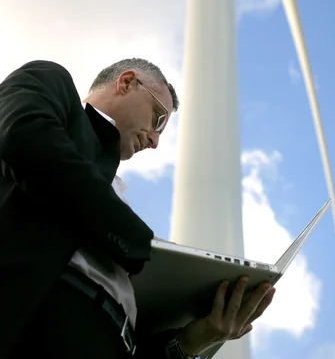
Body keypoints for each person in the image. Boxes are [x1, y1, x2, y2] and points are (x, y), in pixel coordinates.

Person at [0, 59, 275, 358]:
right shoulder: (52, 82)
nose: (155, 141)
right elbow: (23, 137)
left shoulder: (112, 196)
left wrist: (195, 338)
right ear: (127, 82)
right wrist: (140, 245)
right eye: (158, 119)